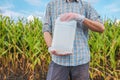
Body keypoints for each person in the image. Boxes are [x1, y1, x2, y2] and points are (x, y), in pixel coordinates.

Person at [42, 0, 105, 80]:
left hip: (80, 61)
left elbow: (101, 28)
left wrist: (80, 18)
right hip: (58, 60)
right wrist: (50, 47)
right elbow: (46, 29)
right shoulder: (52, 4)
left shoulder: (86, 5)